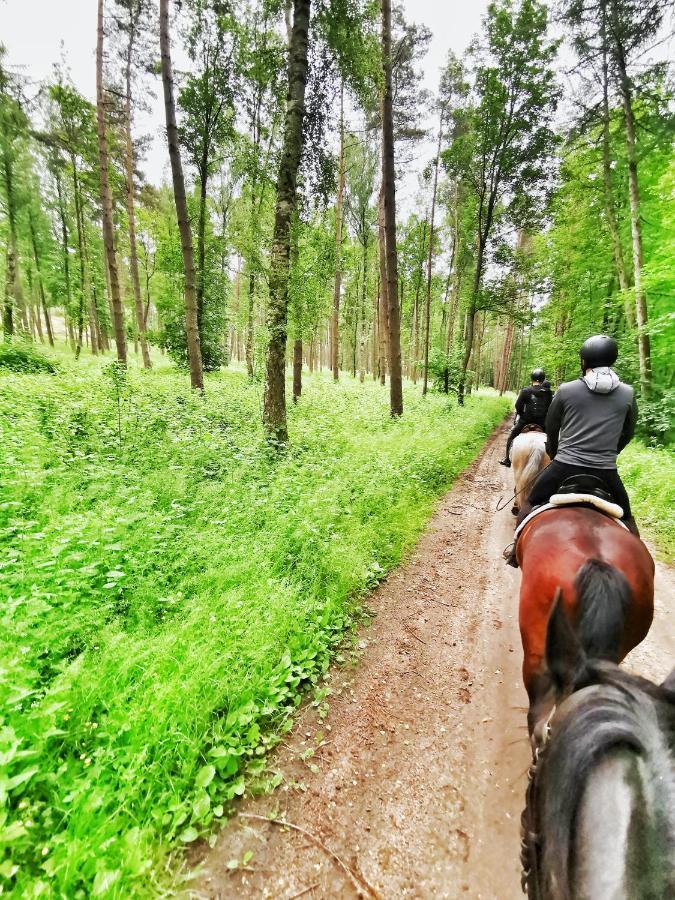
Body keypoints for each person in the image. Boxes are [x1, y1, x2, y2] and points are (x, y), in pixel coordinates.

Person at [519, 334, 639, 535]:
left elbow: (552, 425)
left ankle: (515, 549)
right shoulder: (628, 393)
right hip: (606, 471)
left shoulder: (566, 390)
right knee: (627, 518)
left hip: (564, 466)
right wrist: (610, 453)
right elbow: (629, 432)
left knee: (530, 502)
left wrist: (555, 454)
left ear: (584, 361)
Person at [499, 369, 553, 467]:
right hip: (542, 423)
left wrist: (521, 414)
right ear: (542, 379)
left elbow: (518, 405)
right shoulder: (548, 392)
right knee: (552, 439)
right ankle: (553, 459)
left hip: (525, 421)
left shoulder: (525, 391)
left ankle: (507, 459)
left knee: (511, 436)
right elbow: (551, 408)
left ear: (532, 378)